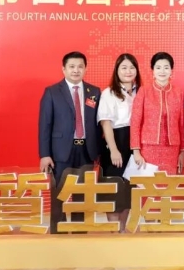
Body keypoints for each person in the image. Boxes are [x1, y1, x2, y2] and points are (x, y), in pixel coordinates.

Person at [39, 51, 101, 183]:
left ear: (85, 69)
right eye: (72, 66)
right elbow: (45, 125)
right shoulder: (52, 92)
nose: (76, 70)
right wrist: (45, 155)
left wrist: (99, 151)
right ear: (64, 69)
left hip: (87, 151)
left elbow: (98, 124)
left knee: (85, 191)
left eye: (80, 66)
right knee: (61, 191)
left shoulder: (94, 91)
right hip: (61, 152)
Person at [97, 53, 141, 230]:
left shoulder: (142, 91)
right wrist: (114, 150)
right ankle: (114, 230)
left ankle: (123, 229)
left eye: (131, 67)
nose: (128, 71)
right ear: (117, 70)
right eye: (124, 67)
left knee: (128, 190)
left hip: (135, 143)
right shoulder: (109, 93)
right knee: (114, 189)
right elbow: (105, 123)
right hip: (116, 141)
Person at [130, 52, 184, 175]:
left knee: (168, 184)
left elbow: (182, 124)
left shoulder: (179, 93)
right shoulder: (144, 91)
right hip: (148, 148)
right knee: (148, 184)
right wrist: (136, 150)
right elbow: (135, 122)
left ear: (171, 70)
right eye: (158, 67)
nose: (162, 71)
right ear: (153, 70)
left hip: (172, 149)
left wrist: (183, 151)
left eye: (166, 67)